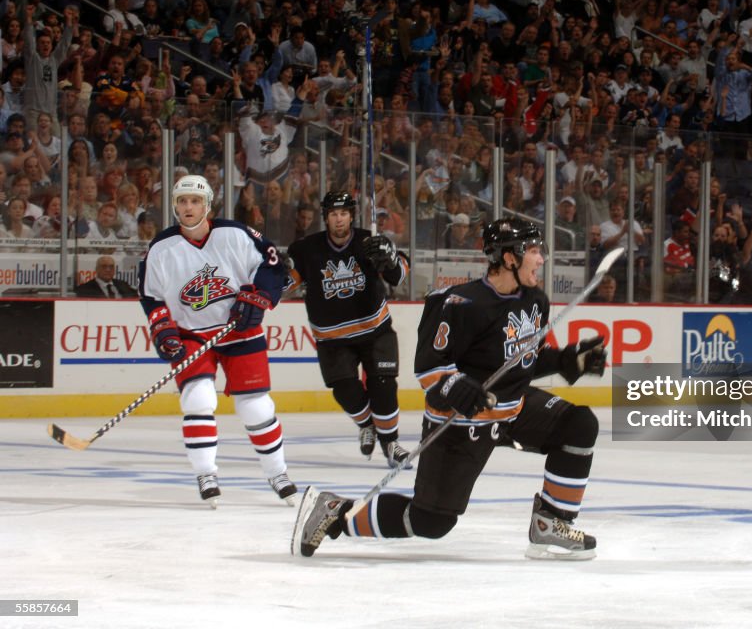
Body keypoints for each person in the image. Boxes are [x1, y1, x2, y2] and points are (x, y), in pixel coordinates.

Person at [292, 217, 606, 560]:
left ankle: (550, 524)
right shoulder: (458, 304)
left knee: (579, 425)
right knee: (430, 522)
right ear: (509, 257)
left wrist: (564, 361)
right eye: (533, 250)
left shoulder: (535, 300)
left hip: (509, 409)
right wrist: (457, 386)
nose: (542, 259)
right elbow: (429, 368)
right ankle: (334, 512)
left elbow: (521, 360)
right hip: (459, 424)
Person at [138, 175, 296, 508]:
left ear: (207, 205)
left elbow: (273, 266)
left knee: (256, 406)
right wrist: (162, 328)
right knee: (198, 400)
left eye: (195, 201)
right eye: (182, 201)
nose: (188, 207)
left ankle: (277, 472)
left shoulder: (235, 234)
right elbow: (151, 298)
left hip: (238, 330)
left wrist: (259, 297)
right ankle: (206, 473)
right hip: (191, 334)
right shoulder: (160, 248)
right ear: (175, 205)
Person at [286, 192, 412, 466]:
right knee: (345, 391)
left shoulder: (372, 240)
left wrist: (389, 259)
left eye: (343, 213)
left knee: (384, 387)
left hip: (375, 329)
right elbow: (285, 285)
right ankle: (367, 424)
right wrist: (273, 272)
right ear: (326, 217)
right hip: (332, 337)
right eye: (333, 214)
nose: (339, 219)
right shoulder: (307, 249)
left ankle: (391, 444)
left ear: (351, 216)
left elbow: (400, 274)